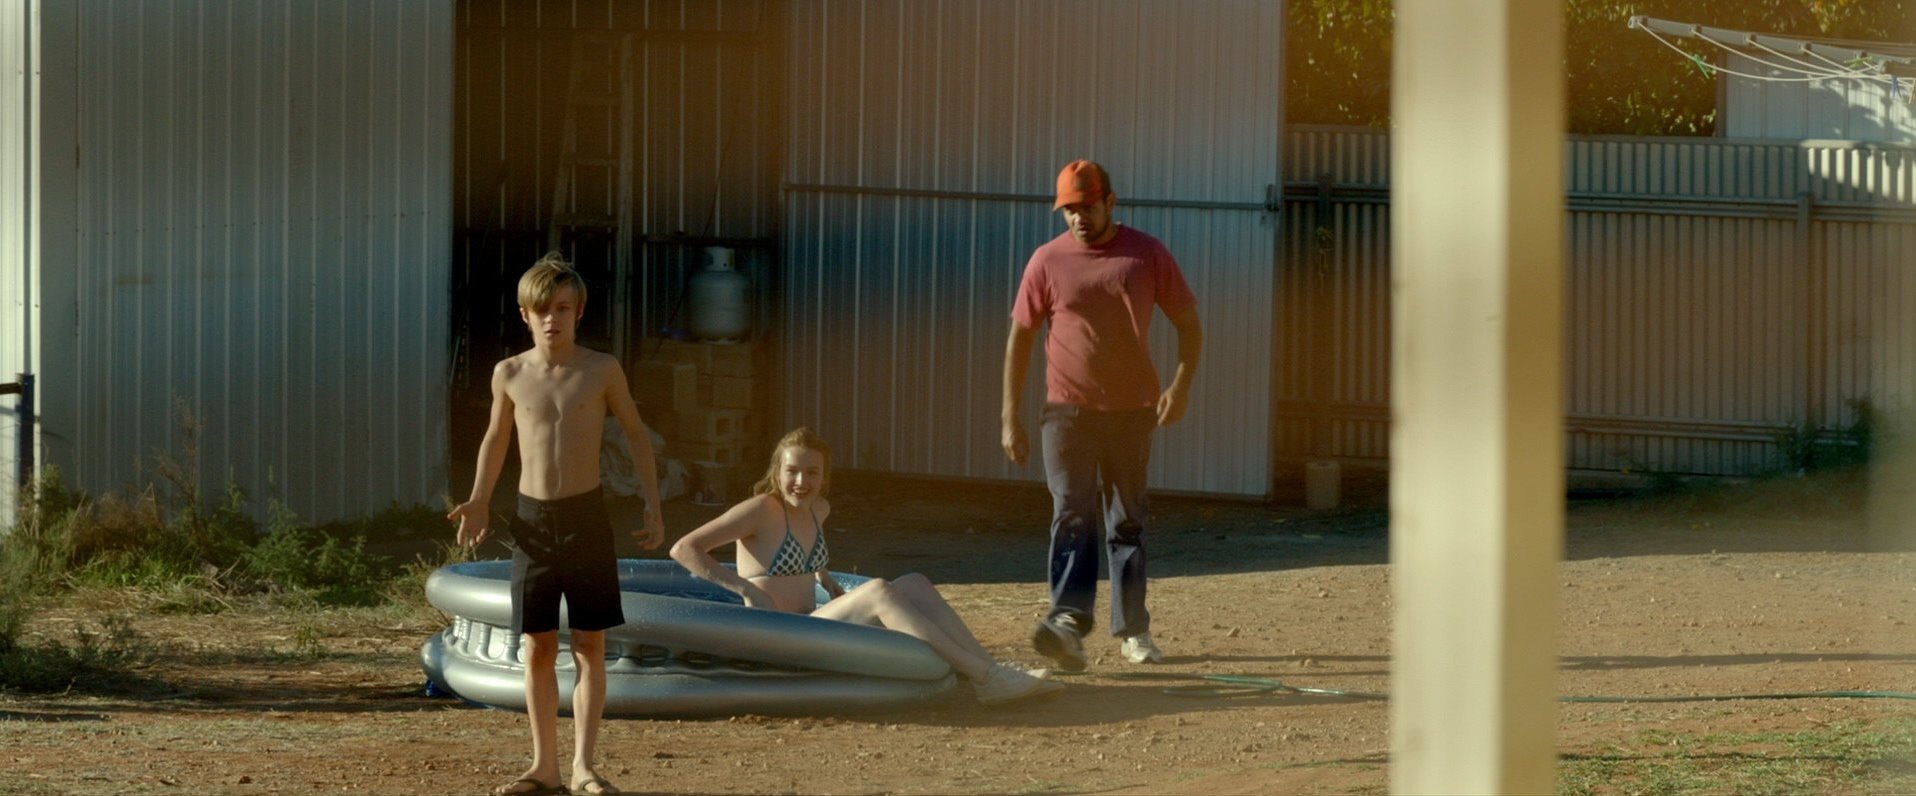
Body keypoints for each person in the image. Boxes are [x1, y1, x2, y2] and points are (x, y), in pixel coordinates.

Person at [447, 252, 665, 796]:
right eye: (542, 310)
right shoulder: (509, 373)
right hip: (533, 521)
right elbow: (495, 438)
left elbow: (636, 433)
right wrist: (478, 500)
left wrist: (652, 501)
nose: (553, 319)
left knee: (590, 644)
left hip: (586, 516)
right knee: (538, 646)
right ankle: (543, 767)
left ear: (579, 312)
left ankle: (584, 767)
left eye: (563, 308)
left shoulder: (601, 369)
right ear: (526, 315)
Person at [669, 427, 1062, 706]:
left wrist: (824, 577)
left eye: (812, 472)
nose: (801, 481)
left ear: (825, 477)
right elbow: (685, 548)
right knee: (878, 590)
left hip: (810, 624)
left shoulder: (818, 510)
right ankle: (983, 676)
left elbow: (799, 560)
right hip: (775, 635)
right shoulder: (761, 509)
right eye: (792, 471)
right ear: (777, 472)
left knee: (915, 581)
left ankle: (994, 671)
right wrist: (745, 589)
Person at [1001, 159, 1203, 672]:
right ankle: (1068, 624)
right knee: (1072, 514)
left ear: (1110, 203)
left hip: (1132, 412)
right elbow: (1021, 337)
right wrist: (1009, 414)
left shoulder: (1146, 254)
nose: (1078, 218)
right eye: (1069, 210)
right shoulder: (1047, 260)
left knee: (1127, 521)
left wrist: (1180, 387)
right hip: (1065, 413)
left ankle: (1133, 630)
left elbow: (1190, 326)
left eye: (1087, 207)